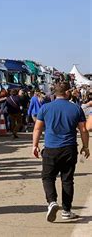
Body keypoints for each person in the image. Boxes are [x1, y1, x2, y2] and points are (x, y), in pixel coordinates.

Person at [32, 82, 89, 222]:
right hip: (69, 148)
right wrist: (85, 146)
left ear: (54, 93)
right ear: (67, 92)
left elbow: (37, 128)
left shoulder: (45, 108)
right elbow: (83, 129)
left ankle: (52, 202)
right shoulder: (76, 108)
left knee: (47, 177)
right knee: (67, 179)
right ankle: (66, 210)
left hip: (51, 148)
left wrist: (35, 145)